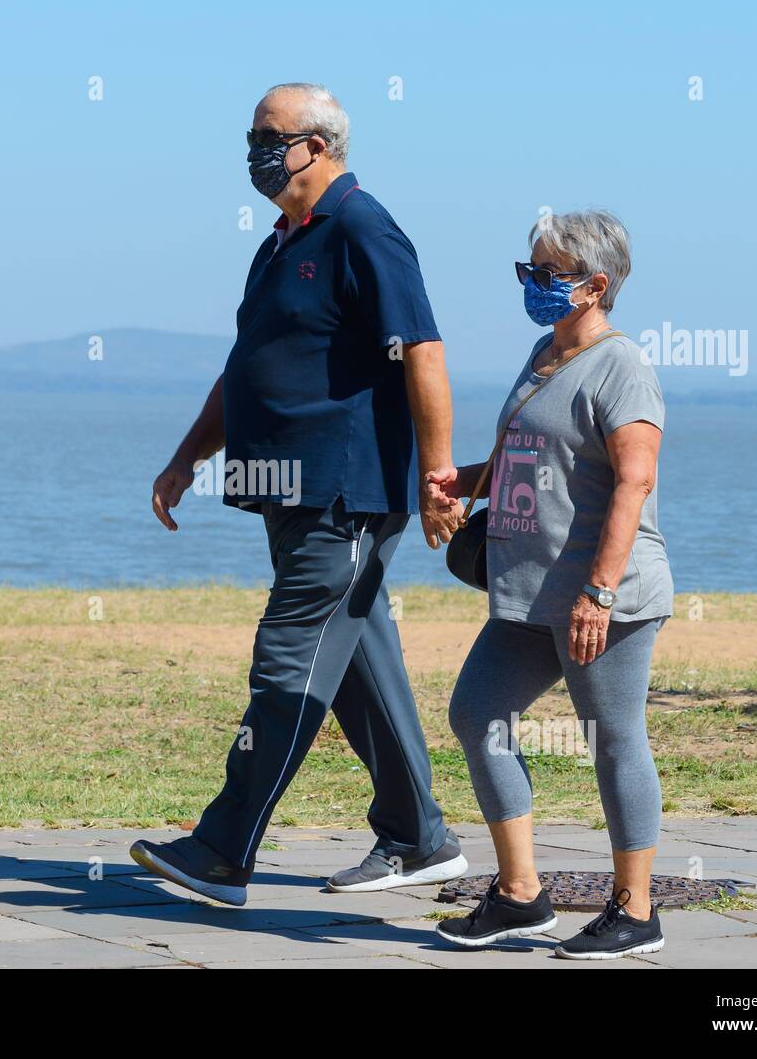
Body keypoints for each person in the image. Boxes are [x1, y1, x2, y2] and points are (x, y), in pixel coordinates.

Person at [130, 84, 466, 906]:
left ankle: (223, 847)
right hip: (283, 492)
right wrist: (187, 458)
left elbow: (421, 349)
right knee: (355, 665)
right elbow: (245, 365)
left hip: (344, 494)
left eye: (268, 135)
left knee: (286, 656)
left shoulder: (363, 226)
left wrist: (437, 475)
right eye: (251, 135)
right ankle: (419, 837)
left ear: (319, 144)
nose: (255, 150)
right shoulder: (279, 242)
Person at [429, 211, 673, 959]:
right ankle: (520, 894)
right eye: (527, 270)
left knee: (613, 739)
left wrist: (598, 592)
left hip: (602, 597)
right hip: (526, 594)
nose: (532, 284)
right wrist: (459, 483)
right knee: (478, 714)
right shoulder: (544, 351)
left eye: (546, 274)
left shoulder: (622, 366)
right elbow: (521, 459)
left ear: (595, 286)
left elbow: (635, 481)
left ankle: (635, 911)